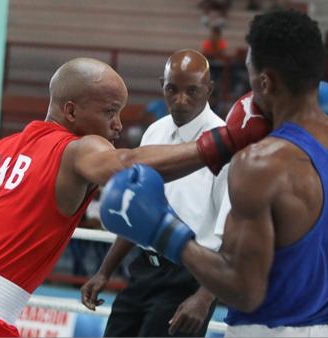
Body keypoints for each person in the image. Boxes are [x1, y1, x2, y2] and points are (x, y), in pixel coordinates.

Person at [0, 57, 269, 336]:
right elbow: (127, 164)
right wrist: (221, 144)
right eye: (110, 112)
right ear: (72, 111)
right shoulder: (77, 149)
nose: (118, 125)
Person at [99, 10, 328, 337]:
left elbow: (244, 289)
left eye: (249, 75)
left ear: (265, 82)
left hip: (267, 329)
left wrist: (164, 232)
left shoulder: (261, 164)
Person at [81, 49, 227, 337]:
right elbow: (137, 211)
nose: (181, 99)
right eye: (172, 88)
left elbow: (234, 234)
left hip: (192, 275)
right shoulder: (154, 133)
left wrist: (204, 297)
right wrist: (104, 271)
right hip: (143, 270)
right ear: (162, 84)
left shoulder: (225, 143)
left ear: (209, 90)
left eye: (192, 91)